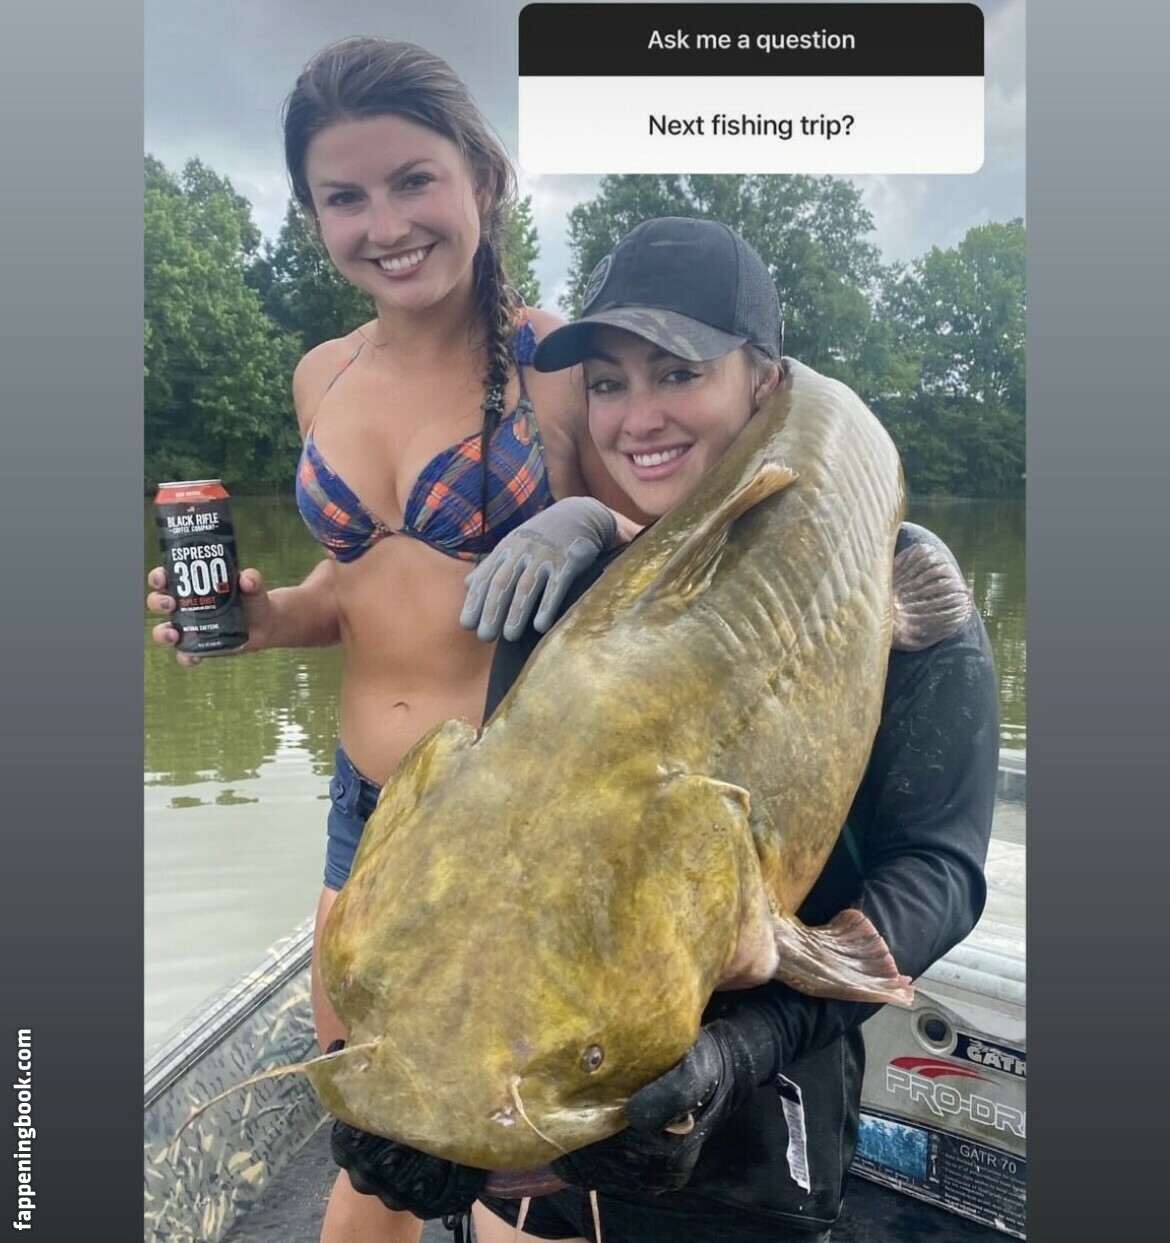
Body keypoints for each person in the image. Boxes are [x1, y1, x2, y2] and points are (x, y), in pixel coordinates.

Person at [328, 217, 1000, 1242]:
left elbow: (941, 873)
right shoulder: (558, 580)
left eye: (678, 372)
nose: (636, 416)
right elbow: (497, 876)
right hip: (544, 1160)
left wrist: (742, 1047)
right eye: (606, 383)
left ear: (764, 382)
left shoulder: (901, 588)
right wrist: (410, 1099)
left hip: (757, 1148)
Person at [145, 38, 640, 1243]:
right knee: (369, 1135)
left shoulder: (567, 364)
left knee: (521, 1163)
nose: (386, 224)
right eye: (345, 196)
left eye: (414, 180)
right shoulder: (322, 374)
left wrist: (594, 519)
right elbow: (359, 587)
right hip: (363, 808)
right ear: (314, 214)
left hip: (521, 821)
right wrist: (268, 619)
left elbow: (681, 570)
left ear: (484, 177)